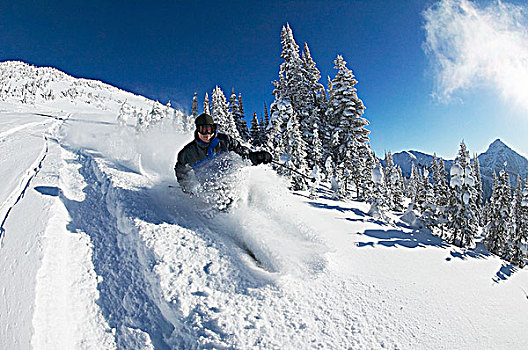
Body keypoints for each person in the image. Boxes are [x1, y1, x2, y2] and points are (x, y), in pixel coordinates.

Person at [175, 113, 272, 193]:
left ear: (214, 128)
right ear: (197, 130)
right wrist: (187, 188)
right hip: (208, 191)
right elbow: (181, 171)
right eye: (203, 130)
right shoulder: (188, 153)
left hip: (229, 184)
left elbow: (242, 153)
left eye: (209, 130)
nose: (207, 134)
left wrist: (256, 157)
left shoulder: (225, 141)